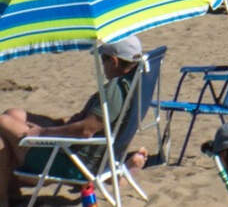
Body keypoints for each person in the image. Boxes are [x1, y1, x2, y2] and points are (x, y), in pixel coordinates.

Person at [0, 37, 148, 199]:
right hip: (96, 154)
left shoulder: (115, 91)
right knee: (14, 114)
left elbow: (86, 130)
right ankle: (11, 193)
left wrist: (43, 131)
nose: (101, 64)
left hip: (74, 162)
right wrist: (59, 124)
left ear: (113, 61)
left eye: (103, 59)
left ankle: (4, 197)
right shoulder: (135, 82)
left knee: (2, 124)